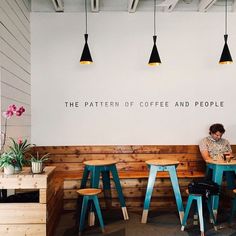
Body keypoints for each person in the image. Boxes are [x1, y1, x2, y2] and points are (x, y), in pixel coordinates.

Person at [199, 123, 235, 188]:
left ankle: (232, 192)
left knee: (230, 169)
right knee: (228, 171)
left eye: (221, 135)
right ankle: (214, 194)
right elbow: (206, 158)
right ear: (211, 132)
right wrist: (219, 162)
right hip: (212, 166)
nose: (219, 137)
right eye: (217, 135)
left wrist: (229, 157)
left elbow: (230, 155)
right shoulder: (204, 141)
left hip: (226, 165)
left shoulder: (225, 141)